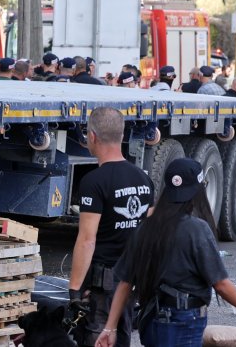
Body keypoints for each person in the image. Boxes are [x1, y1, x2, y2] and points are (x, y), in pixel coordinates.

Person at [94, 158, 236, 347]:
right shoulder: (197, 230)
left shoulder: (145, 229)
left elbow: (125, 283)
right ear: (198, 190)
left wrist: (110, 328)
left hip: (151, 319)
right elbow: (221, 285)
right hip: (183, 321)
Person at [68, 108, 154, 347]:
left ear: (92, 137)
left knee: (100, 338)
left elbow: (87, 239)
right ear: (122, 134)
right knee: (122, 336)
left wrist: (74, 289)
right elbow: (148, 232)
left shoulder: (94, 181)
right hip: (132, 279)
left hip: (104, 284)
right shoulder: (143, 179)